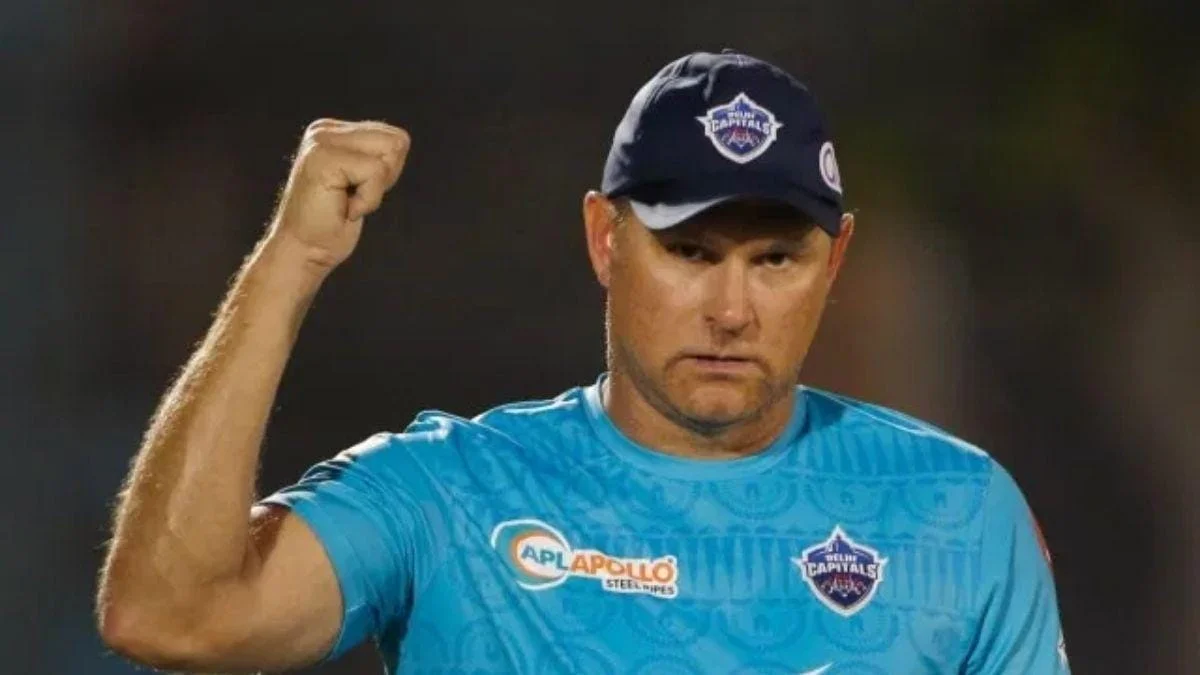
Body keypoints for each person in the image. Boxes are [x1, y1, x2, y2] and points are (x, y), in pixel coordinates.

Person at [97, 50, 1069, 674]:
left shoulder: (958, 511)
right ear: (606, 239)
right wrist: (289, 263)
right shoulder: (450, 496)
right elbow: (170, 615)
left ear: (836, 261)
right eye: (690, 251)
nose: (732, 310)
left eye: (776, 259)